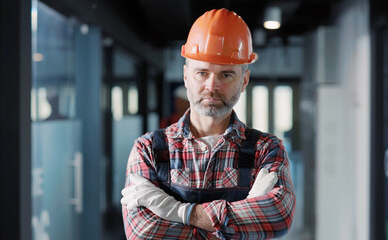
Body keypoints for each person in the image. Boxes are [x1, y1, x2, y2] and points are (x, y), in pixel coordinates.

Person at [121, 8, 296, 239]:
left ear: (244, 80)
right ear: (186, 76)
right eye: (202, 73)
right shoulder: (150, 149)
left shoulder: (266, 150)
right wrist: (239, 219)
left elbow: (278, 217)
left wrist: (179, 212)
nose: (212, 86)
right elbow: (143, 232)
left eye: (226, 75)